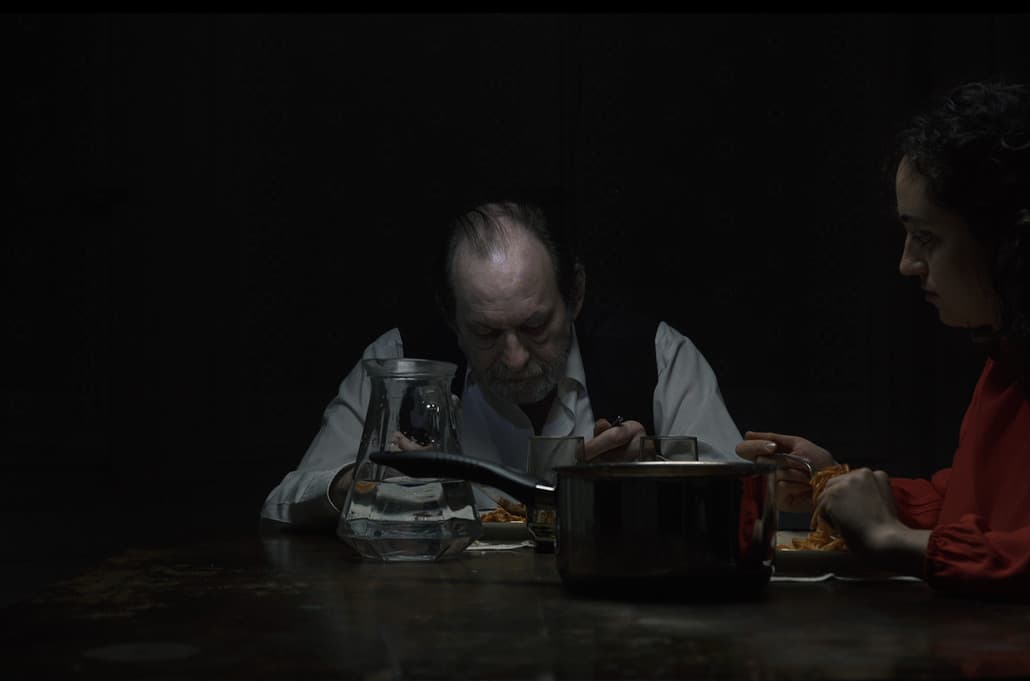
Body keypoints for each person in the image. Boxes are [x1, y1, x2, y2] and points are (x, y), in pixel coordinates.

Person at [738, 80, 1030, 637]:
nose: (907, 264)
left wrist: (899, 541)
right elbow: (979, 508)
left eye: (926, 238)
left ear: (1013, 242)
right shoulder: (1013, 360)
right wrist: (835, 485)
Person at [263, 195, 743, 526]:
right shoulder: (399, 361)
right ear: (450, 316)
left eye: (535, 326)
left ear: (575, 294)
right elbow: (285, 503)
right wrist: (367, 481)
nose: (514, 359)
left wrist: (651, 476)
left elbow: (742, 497)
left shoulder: (657, 354)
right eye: (486, 333)